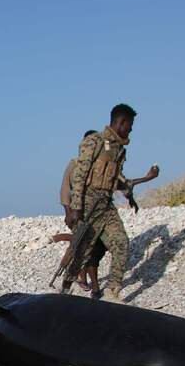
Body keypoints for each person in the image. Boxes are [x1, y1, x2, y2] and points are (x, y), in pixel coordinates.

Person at [65, 103, 160, 302]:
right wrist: (75, 207)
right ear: (121, 122)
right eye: (129, 126)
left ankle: (112, 291)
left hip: (106, 205)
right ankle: (65, 289)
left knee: (121, 243)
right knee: (82, 251)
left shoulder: (119, 149)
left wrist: (131, 194)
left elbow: (116, 178)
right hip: (88, 204)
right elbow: (80, 174)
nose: (130, 130)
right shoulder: (95, 141)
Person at [60, 130, 105, 295]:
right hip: (79, 213)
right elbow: (65, 189)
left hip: (99, 213)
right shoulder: (75, 163)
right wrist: (68, 212)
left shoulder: (101, 164)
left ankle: (88, 282)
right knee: (82, 248)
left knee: (96, 248)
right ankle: (83, 285)